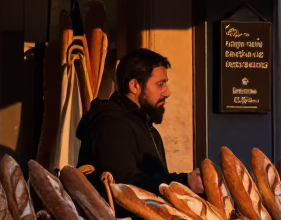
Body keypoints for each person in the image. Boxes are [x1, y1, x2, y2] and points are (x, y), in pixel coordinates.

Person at [75, 48, 203, 195]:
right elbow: (123, 188)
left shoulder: (147, 127)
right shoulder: (111, 125)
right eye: (160, 84)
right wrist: (184, 182)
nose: (167, 92)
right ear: (134, 86)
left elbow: (151, 180)